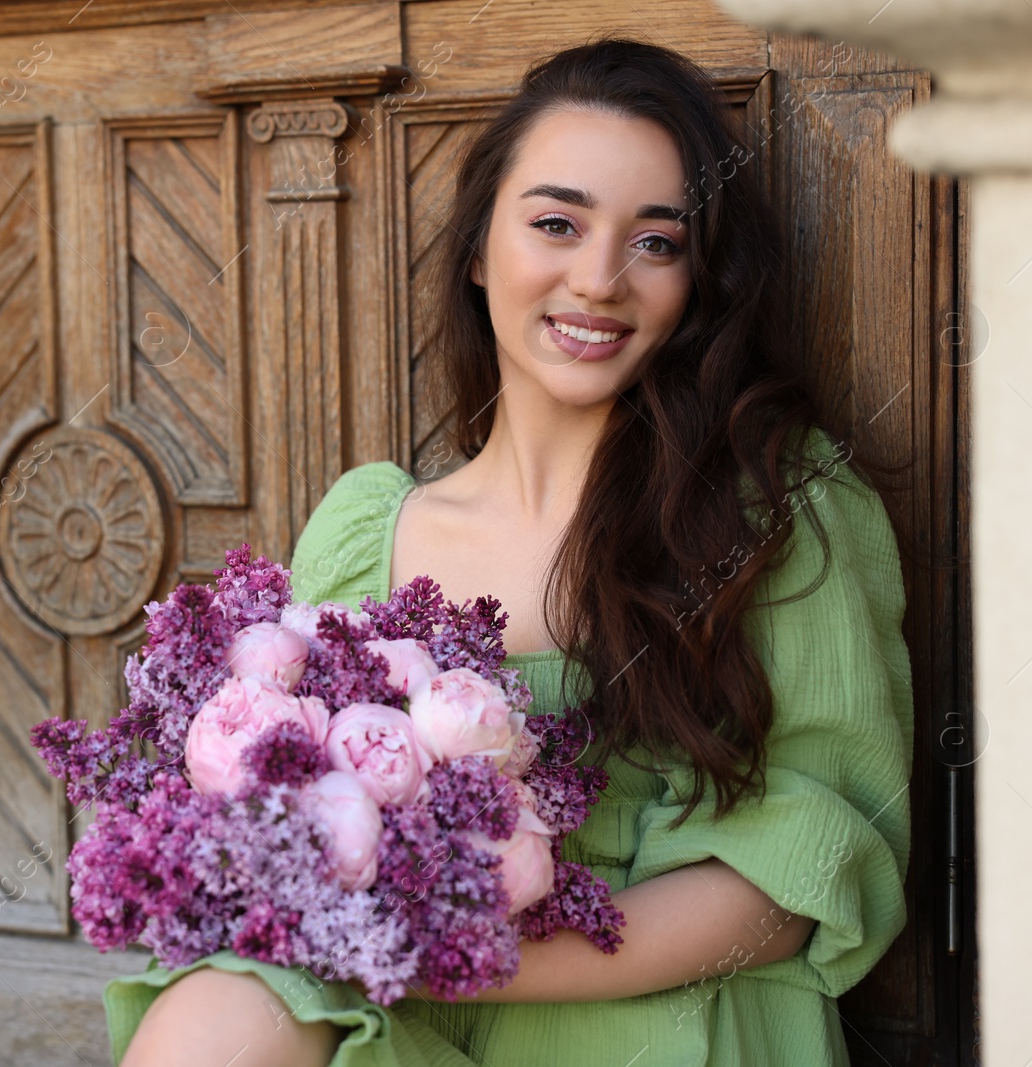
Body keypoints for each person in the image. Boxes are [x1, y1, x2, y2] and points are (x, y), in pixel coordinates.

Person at [104, 35, 914, 1066]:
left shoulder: (774, 509)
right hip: (405, 1010)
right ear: (481, 250)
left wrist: (464, 951)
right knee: (210, 1017)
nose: (599, 278)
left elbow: (801, 876)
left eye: (656, 241)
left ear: (696, 283)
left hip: (660, 1017)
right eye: (556, 223)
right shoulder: (368, 531)